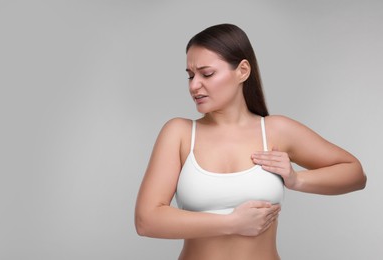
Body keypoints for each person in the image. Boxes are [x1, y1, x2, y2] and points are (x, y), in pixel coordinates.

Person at [134, 23, 366, 260]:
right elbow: (146, 220)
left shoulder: (276, 130)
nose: (194, 85)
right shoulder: (180, 133)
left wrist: (296, 179)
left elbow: (355, 173)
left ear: (243, 71)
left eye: (207, 74)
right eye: (190, 76)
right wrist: (232, 222)